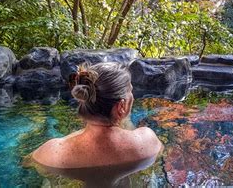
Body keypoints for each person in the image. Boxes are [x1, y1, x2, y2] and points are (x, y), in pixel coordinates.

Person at [31, 62, 162, 171]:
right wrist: (121, 117)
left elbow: (26, 164)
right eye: (130, 91)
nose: (132, 96)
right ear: (121, 106)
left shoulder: (52, 152)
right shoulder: (147, 141)